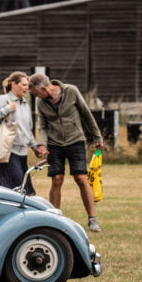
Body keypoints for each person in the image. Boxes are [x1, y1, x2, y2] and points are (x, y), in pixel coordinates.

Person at [28, 73, 104, 232]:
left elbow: (86, 114)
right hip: (54, 143)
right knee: (56, 179)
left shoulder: (71, 91)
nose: (36, 97)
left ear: (43, 88)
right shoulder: (40, 102)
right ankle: (55, 219)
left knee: (81, 178)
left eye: (36, 93)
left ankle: (92, 219)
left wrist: (96, 136)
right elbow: (42, 125)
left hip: (75, 140)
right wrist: (41, 144)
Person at [0, 71, 41, 194]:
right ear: (14, 84)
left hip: (22, 153)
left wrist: (35, 147)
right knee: (15, 189)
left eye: (27, 85)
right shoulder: (3, 100)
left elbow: (27, 130)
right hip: (7, 152)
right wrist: (7, 109)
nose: (27, 88)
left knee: (24, 190)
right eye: (23, 85)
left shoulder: (25, 104)